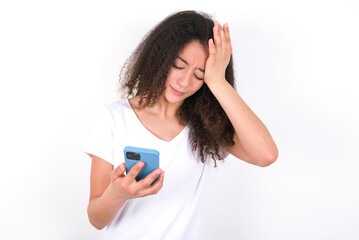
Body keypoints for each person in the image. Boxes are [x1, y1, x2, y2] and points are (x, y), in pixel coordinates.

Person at [82, 10, 278, 239]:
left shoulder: (206, 126)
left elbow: (266, 155)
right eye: (178, 65)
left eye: (200, 74)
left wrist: (217, 80)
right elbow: (96, 219)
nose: (185, 82)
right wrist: (118, 194)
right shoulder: (114, 117)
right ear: (161, 58)